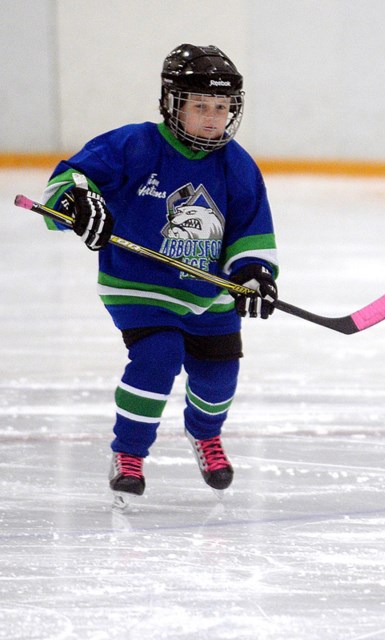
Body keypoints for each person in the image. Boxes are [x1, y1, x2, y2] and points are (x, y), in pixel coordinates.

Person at [40, 44, 279, 509]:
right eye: (200, 106)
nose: (213, 118)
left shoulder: (236, 164)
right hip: (138, 285)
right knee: (158, 357)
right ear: (173, 104)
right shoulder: (133, 145)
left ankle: (205, 434)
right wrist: (77, 204)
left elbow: (250, 230)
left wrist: (252, 276)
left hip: (208, 295)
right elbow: (66, 182)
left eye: (222, 107)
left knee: (218, 377)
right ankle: (128, 453)